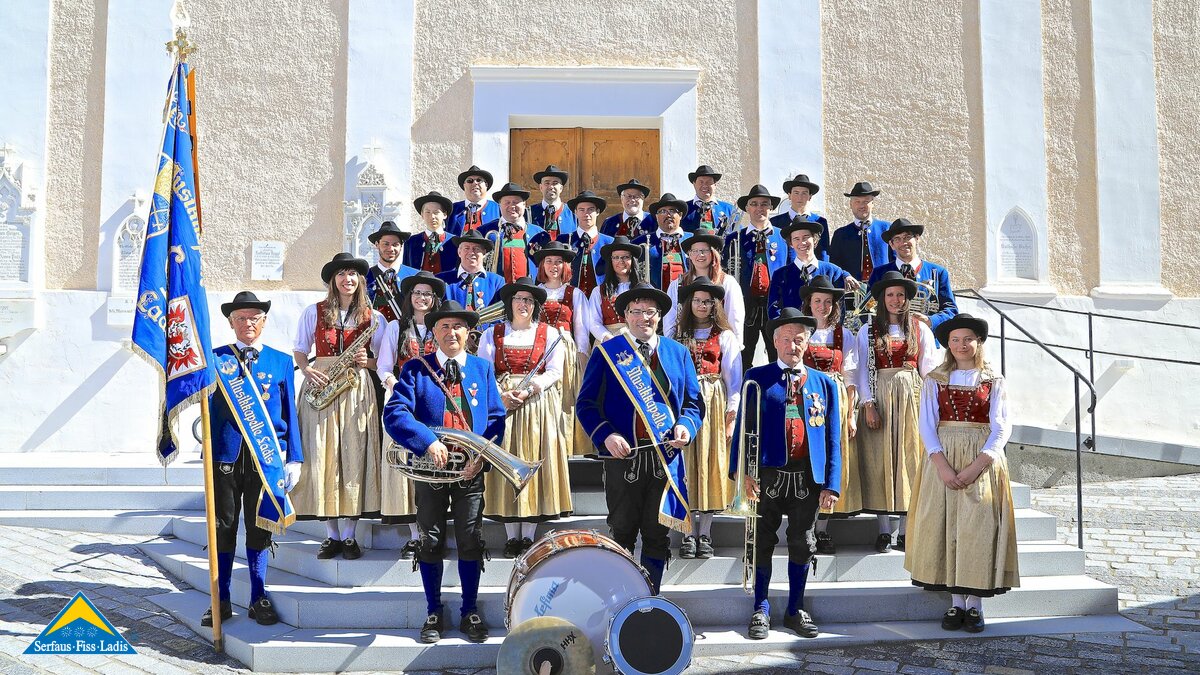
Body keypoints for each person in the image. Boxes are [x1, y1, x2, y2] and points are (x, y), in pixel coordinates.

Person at [382, 300, 505, 644]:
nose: (452, 332)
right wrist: (426, 442)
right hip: (431, 471)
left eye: (459, 327)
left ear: (469, 333)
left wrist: (481, 456)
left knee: (471, 539)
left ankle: (469, 610)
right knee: (430, 540)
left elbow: (495, 418)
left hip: (470, 470)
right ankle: (433, 609)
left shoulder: (481, 368)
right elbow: (395, 413)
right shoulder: (415, 369)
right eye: (445, 327)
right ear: (434, 332)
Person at [576, 283, 705, 594]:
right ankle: (620, 597)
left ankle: (649, 598)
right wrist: (606, 435)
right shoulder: (607, 353)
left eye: (650, 312)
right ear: (625, 316)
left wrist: (687, 426)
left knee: (657, 533)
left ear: (659, 316)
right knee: (621, 531)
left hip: (665, 458)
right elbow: (586, 404)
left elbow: (694, 403)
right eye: (636, 312)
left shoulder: (678, 353)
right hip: (624, 459)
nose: (642, 318)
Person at [731, 308, 841, 640]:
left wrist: (832, 484)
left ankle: (795, 609)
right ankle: (761, 608)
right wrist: (742, 475)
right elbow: (742, 430)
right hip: (767, 477)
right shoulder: (757, 377)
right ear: (775, 341)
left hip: (808, 478)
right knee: (762, 541)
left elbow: (833, 437)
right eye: (787, 339)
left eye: (799, 339)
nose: (793, 345)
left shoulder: (824, 383)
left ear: (807, 342)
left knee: (803, 543)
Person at [906, 314, 1019, 634]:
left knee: (977, 528)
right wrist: (941, 464)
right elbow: (926, 425)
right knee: (947, 526)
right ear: (947, 344)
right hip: (942, 456)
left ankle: (975, 605)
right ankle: (956, 602)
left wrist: (977, 465)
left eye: (967, 339)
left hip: (981, 459)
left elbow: (1001, 427)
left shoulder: (993, 379)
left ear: (978, 342)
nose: (961, 345)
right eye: (955, 340)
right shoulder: (935, 379)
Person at [203, 291, 303, 627]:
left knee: (260, 530)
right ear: (231, 322)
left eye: (255, 318)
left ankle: (258, 596)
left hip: (266, 459)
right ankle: (222, 598)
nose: (248, 323)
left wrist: (295, 459)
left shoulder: (279, 360)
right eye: (242, 318)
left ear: (264, 322)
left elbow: (290, 409)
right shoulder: (215, 359)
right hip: (225, 458)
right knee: (224, 529)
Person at [291, 253, 387, 560]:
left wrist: (367, 361)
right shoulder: (314, 311)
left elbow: (385, 362)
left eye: (354, 274)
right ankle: (331, 534)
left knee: (353, 456)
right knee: (323, 457)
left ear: (361, 281)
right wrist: (306, 370)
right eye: (342, 274)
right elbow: (300, 349)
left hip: (357, 388)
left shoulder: (376, 317)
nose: (348, 279)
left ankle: (349, 535)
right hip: (321, 383)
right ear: (333, 280)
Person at [479, 277, 572, 556]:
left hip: (536, 406)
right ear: (510, 302)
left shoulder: (550, 334)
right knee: (507, 460)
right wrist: (500, 395)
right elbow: (483, 370)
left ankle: (529, 535)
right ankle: (511, 534)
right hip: (504, 403)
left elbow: (555, 372)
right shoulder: (492, 333)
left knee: (532, 458)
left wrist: (532, 387)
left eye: (529, 300)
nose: (524, 304)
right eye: (519, 299)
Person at [855, 271, 940, 553]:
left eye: (900, 295)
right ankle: (883, 530)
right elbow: (862, 372)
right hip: (880, 395)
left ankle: (905, 530)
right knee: (880, 459)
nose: (895, 299)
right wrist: (868, 404)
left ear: (907, 299)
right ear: (881, 299)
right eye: (890, 295)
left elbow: (929, 371)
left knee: (908, 458)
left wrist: (931, 407)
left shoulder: (921, 329)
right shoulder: (868, 330)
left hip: (911, 397)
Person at [375, 270, 446, 560]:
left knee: (429, 466)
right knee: (404, 471)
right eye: (417, 293)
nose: (421, 298)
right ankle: (415, 536)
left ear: (434, 299)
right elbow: (384, 366)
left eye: (427, 294)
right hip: (403, 402)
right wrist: (398, 386)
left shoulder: (441, 326)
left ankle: (431, 530)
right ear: (410, 297)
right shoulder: (396, 327)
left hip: (431, 403)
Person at [671, 277, 742, 559]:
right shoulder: (677, 335)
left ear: (715, 304)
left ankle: (706, 532)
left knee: (711, 463)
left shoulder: (725, 336)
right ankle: (688, 532)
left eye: (708, 301)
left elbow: (733, 380)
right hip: (683, 403)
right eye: (697, 300)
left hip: (713, 402)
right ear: (690, 303)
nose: (702, 305)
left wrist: (731, 415)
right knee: (686, 466)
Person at [800, 276, 862, 554]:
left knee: (831, 458)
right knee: (809, 456)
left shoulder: (844, 335)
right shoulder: (800, 331)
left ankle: (823, 527)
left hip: (835, 397)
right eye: (817, 301)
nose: (822, 306)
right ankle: (805, 524)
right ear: (808, 304)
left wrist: (851, 415)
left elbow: (851, 377)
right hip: (806, 395)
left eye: (827, 301)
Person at [533, 241, 591, 459]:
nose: (553, 266)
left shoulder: (574, 294)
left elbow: (581, 329)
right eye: (549, 261)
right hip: (539, 347)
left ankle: (567, 443)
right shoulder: (536, 292)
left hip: (565, 348)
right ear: (542, 266)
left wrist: (581, 355)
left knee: (565, 396)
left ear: (565, 266)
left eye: (558, 262)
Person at [725, 184, 792, 368]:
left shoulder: (784, 237)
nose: (759, 208)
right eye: (754, 204)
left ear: (770, 208)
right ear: (747, 208)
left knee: (778, 355)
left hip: (775, 305)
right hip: (746, 306)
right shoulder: (734, 239)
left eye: (764, 204)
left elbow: (791, 270)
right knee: (742, 356)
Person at [867, 218, 958, 335]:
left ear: (917, 239)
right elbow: (869, 308)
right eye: (897, 239)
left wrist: (930, 321)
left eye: (907, 237)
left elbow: (951, 311)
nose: (903, 242)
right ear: (891, 245)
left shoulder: (938, 272)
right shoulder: (879, 273)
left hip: (927, 337)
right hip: (889, 338)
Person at [664, 232, 745, 343]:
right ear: (690, 255)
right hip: (684, 346)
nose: (700, 255)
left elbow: (735, 318)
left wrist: (735, 347)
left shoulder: (728, 283)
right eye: (695, 251)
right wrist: (671, 348)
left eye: (705, 251)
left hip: (717, 346)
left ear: (713, 253)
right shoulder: (677, 284)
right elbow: (670, 320)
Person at [768, 217, 856, 319]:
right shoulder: (780, 275)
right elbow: (774, 309)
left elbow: (839, 308)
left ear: (814, 239)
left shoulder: (833, 271)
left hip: (826, 332)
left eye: (806, 237)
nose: (802, 242)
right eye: (796, 239)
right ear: (791, 243)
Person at [478, 182, 546, 283]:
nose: (512, 206)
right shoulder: (484, 231)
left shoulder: (539, 233)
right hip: (497, 292)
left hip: (529, 293)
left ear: (524, 204)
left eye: (516, 202)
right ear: (500, 205)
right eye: (507, 202)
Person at [827, 181, 893, 283]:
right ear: (851, 204)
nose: (862, 205)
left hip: (883, 289)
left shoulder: (886, 228)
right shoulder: (840, 234)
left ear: (873, 203)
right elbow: (834, 265)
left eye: (866, 201)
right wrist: (845, 276)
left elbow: (896, 260)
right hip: (854, 291)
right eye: (857, 201)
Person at [586, 236, 643, 344]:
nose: (621, 261)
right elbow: (593, 322)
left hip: (637, 339)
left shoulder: (644, 288)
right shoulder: (599, 291)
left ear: (632, 260)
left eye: (625, 257)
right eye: (616, 257)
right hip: (607, 342)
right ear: (610, 261)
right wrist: (609, 339)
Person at [635, 193, 693, 291]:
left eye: (672, 211)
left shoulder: (693, 239)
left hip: (686, 299)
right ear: (656, 217)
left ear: (680, 215)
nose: (668, 214)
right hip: (655, 300)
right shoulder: (640, 242)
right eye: (662, 211)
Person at [436, 230, 505, 312]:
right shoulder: (441, 279)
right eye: (466, 248)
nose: (471, 252)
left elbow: (500, 315)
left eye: (476, 249)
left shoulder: (497, 282)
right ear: (459, 252)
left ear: (484, 253)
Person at [561, 191, 613, 298]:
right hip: (571, 299)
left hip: (601, 300)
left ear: (597, 212)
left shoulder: (609, 242)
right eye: (581, 210)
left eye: (590, 209)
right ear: (575, 212)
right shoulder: (564, 240)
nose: (586, 214)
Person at [365, 220, 417, 323]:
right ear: (377, 245)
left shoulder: (414, 276)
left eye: (395, 244)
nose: (391, 248)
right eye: (386, 244)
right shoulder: (365, 277)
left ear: (401, 246)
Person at [770, 174, 831, 260]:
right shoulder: (775, 222)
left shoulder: (820, 222)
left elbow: (823, 253)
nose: (800, 197)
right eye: (796, 193)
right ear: (789, 195)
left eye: (804, 193)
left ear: (810, 197)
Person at [402, 191, 459, 274]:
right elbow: (406, 271)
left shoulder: (455, 241)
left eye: (436, 212)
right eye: (427, 212)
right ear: (422, 214)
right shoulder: (411, 242)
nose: (432, 217)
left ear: (444, 214)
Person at [682, 164, 736, 233]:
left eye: (709, 182)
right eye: (701, 182)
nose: (705, 185)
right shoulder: (684, 210)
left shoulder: (729, 210)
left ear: (715, 185)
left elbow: (738, 236)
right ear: (694, 184)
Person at [528, 164, 577, 239]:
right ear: (541, 187)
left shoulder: (573, 213)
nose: (551, 187)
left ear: (561, 188)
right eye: (547, 183)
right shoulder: (529, 213)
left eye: (555, 183)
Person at [449, 165, 500, 234]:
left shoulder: (498, 208)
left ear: (486, 185)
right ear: (464, 185)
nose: (475, 183)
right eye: (470, 181)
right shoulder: (452, 210)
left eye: (479, 180)